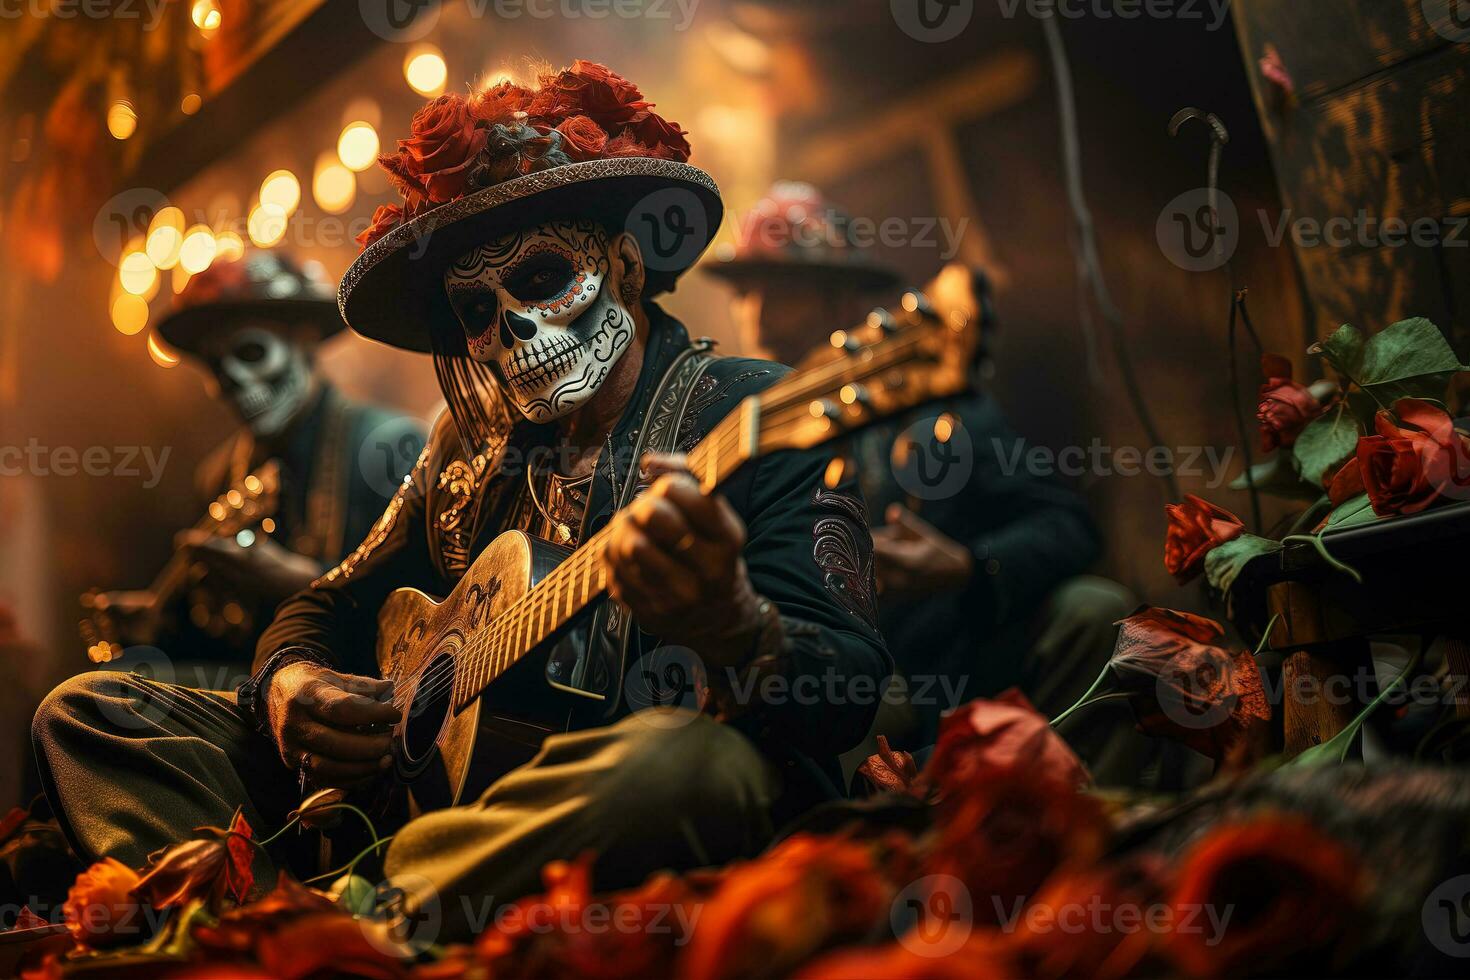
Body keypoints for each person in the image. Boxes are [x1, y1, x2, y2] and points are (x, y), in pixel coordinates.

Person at [33, 63, 888, 937]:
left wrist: (736, 626)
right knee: (92, 713)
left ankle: (355, 919)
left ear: (626, 267)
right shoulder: (464, 447)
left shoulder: (753, 411)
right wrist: (288, 685)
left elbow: (852, 690)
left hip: (602, 805)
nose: (511, 330)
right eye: (478, 308)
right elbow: (326, 601)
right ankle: (246, 921)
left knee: (690, 767)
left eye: (545, 277)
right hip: (436, 795)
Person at [706, 182, 1155, 786]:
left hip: (934, 664)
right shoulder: (731, 428)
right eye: (745, 290)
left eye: (782, 289)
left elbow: (1067, 525)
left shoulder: (934, 413)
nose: (755, 311)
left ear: (843, 299)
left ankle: (1081, 819)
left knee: (1095, 610)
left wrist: (969, 567)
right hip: (802, 677)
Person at [79, 250, 426, 668]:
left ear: (305, 339)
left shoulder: (388, 445)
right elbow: (222, 642)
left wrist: (295, 582)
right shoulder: (218, 475)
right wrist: (162, 629)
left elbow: (416, 617)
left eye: (251, 352)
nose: (232, 382)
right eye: (215, 365)